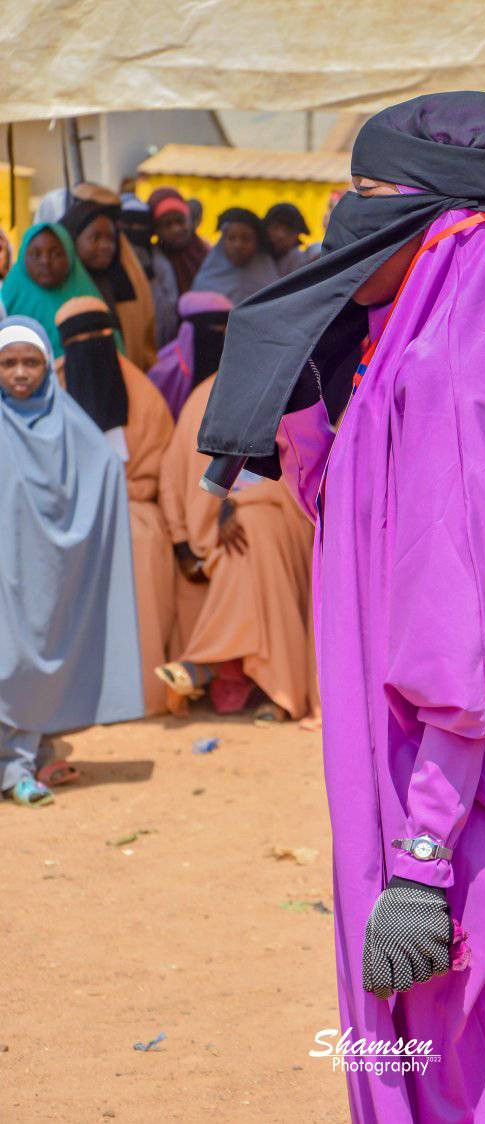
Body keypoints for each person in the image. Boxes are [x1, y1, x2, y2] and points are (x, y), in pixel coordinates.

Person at [199, 91, 485, 1121]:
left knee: (465, 1075)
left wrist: (421, 860)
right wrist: (316, 389)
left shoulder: (456, 370)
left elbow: (470, 639)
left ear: (439, 215)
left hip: (455, 811)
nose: (342, 226)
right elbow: (365, 533)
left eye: (364, 198)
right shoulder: (469, 333)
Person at [0, 316, 143, 806]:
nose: (19, 373)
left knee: (39, 663)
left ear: (48, 365)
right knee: (10, 664)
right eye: (8, 362)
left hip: (46, 574)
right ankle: (15, 766)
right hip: (4, 575)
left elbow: (103, 468)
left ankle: (33, 754)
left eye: (30, 362)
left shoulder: (68, 421)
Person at [157, 372, 319, 721]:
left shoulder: (292, 386)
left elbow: (308, 465)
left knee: (253, 532)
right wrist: (184, 540)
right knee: (250, 541)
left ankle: (203, 665)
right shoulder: (206, 395)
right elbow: (172, 472)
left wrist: (243, 505)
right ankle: (278, 689)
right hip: (216, 525)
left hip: (285, 510)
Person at [54, 296, 175, 716]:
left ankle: (141, 692)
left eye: (98, 337)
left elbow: (159, 467)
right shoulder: (52, 387)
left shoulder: (141, 393)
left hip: (133, 504)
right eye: (78, 340)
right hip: (66, 512)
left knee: (139, 545)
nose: (89, 347)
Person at [62, 187, 157, 370]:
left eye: (111, 239)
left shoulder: (127, 277)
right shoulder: (58, 279)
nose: (106, 246)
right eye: (95, 238)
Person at [0, 223, 110, 356]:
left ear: (69, 255)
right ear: (23, 257)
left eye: (56, 254)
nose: (45, 261)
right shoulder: (6, 302)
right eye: (36, 254)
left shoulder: (89, 304)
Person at [148, 290, 232, 420]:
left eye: (225, 327)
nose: (221, 333)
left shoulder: (236, 367)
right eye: (214, 327)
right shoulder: (164, 372)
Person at [120, 196, 180, 349]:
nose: (136, 231)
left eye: (141, 226)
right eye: (129, 225)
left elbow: (169, 313)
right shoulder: (110, 261)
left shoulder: (160, 264)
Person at [192, 208, 279, 304]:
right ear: (222, 242)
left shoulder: (269, 285)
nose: (238, 245)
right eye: (231, 238)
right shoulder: (206, 281)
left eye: (245, 239)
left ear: (257, 243)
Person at [148, 187, 209, 295]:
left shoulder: (208, 254)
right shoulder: (152, 262)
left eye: (180, 221)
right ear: (156, 229)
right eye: (167, 224)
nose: (176, 229)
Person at [263, 202, 317, 275]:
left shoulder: (305, 260)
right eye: (275, 227)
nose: (280, 235)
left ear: (298, 233)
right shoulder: (253, 259)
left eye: (289, 230)